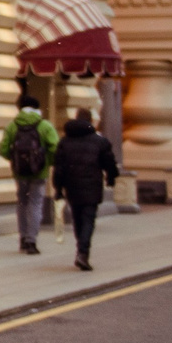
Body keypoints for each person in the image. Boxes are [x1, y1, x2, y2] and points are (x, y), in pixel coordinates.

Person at [51, 109, 120, 272]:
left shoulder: (65, 142)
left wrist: (58, 188)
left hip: (72, 186)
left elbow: (58, 168)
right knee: (88, 219)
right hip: (92, 185)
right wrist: (112, 177)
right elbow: (109, 162)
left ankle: (81, 248)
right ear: (90, 121)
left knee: (77, 218)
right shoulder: (99, 141)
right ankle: (83, 252)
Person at [0, 95, 60, 255]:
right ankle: (32, 240)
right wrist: (46, 163)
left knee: (22, 203)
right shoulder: (45, 126)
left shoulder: (12, 126)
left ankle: (23, 237)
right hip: (39, 173)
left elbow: (3, 149)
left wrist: (15, 160)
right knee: (36, 204)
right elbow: (55, 148)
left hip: (20, 173)